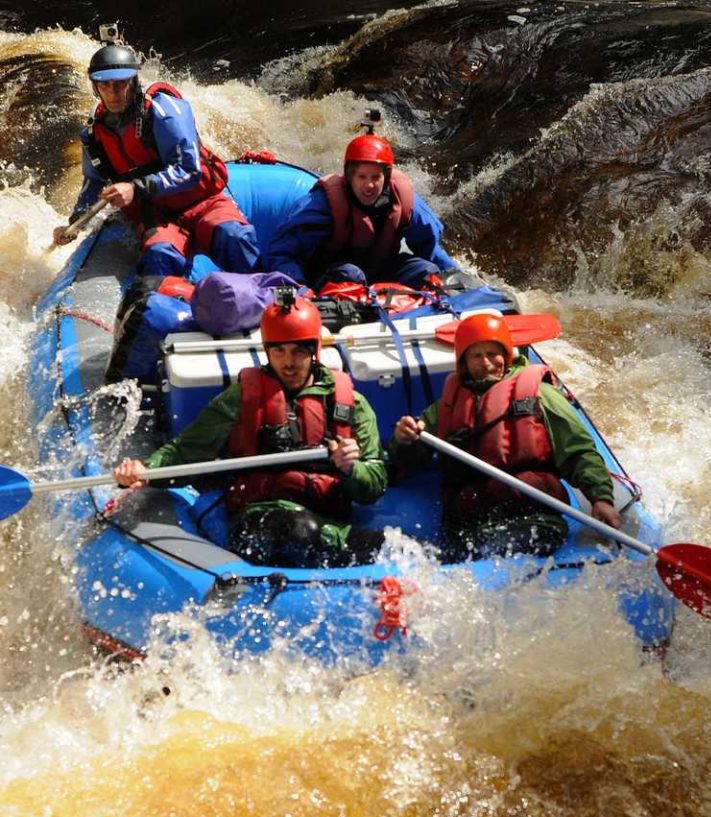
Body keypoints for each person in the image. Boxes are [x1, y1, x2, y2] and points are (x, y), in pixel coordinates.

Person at [113, 295, 388, 567]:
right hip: (259, 517)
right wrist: (147, 470)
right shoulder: (242, 397)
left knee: (385, 546)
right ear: (267, 351)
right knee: (300, 529)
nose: (288, 363)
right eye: (279, 351)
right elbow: (188, 450)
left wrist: (351, 469)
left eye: (298, 351)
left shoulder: (350, 404)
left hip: (327, 519)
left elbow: (374, 484)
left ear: (314, 350)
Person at [389, 312, 622, 560]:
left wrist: (600, 498)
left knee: (493, 553)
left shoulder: (540, 394)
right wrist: (404, 440)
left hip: (532, 519)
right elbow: (411, 461)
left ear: (506, 355)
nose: (486, 363)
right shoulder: (446, 406)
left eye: (492, 354)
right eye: (476, 356)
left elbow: (577, 452)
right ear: (464, 363)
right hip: (467, 526)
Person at [52, 42, 260, 278]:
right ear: (95, 87)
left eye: (120, 84)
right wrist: (75, 223)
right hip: (155, 213)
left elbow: (189, 170)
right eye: (105, 85)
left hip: (201, 201)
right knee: (159, 256)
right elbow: (93, 181)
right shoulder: (93, 132)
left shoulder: (164, 110)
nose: (113, 93)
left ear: (133, 81)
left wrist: (135, 188)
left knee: (234, 238)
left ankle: (266, 290)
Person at [266, 131, 459, 293]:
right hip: (333, 275)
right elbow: (283, 252)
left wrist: (456, 277)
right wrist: (298, 289)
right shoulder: (324, 203)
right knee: (351, 274)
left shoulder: (402, 198)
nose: (369, 185)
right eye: (362, 177)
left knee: (427, 271)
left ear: (386, 177)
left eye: (376, 177)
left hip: (381, 271)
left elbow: (430, 247)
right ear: (350, 177)